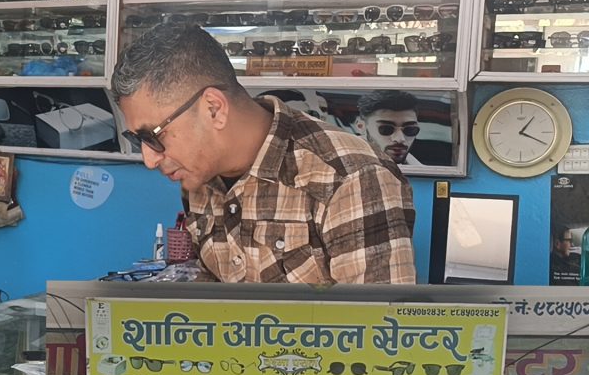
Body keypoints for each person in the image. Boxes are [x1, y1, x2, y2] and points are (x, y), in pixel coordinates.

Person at [112, 23, 416, 284]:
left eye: (153, 137)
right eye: (137, 140)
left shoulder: (351, 179)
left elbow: (377, 326)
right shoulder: (198, 176)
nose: (149, 159)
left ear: (214, 109)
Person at [356, 90, 422, 166]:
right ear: (361, 127)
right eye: (386, 129)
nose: (400, 139)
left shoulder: (419, 168)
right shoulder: (346, 166)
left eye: (410, 130)